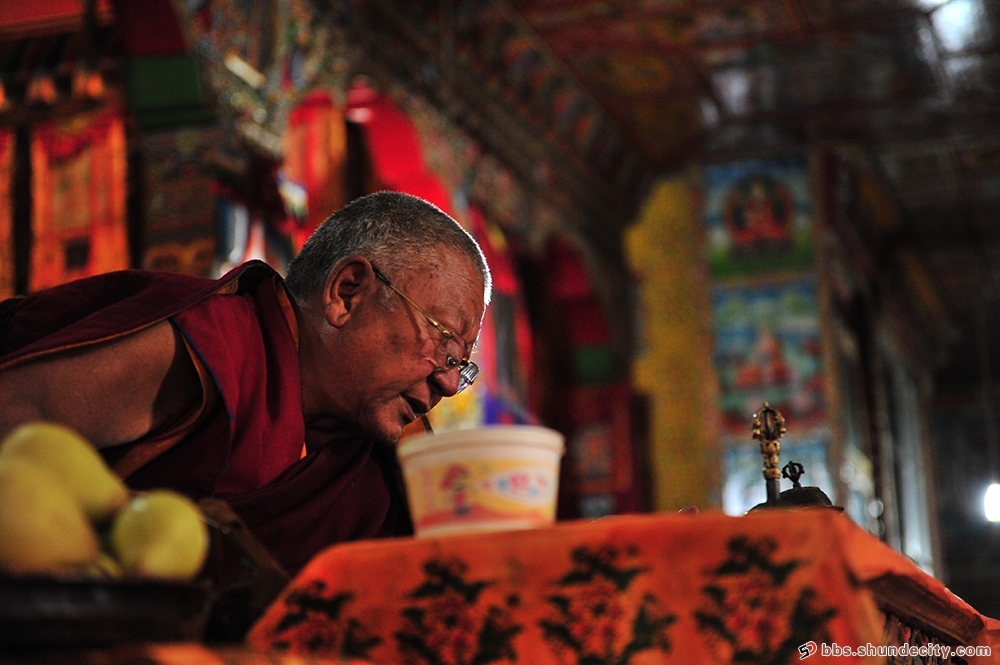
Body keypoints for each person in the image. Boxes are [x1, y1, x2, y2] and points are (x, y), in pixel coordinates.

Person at [0, 191, 492, 574]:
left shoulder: (386, 464)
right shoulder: (215, 348)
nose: (449, 385)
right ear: (347, 293)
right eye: (444, 344)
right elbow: (13, 419)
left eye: (462, 366)